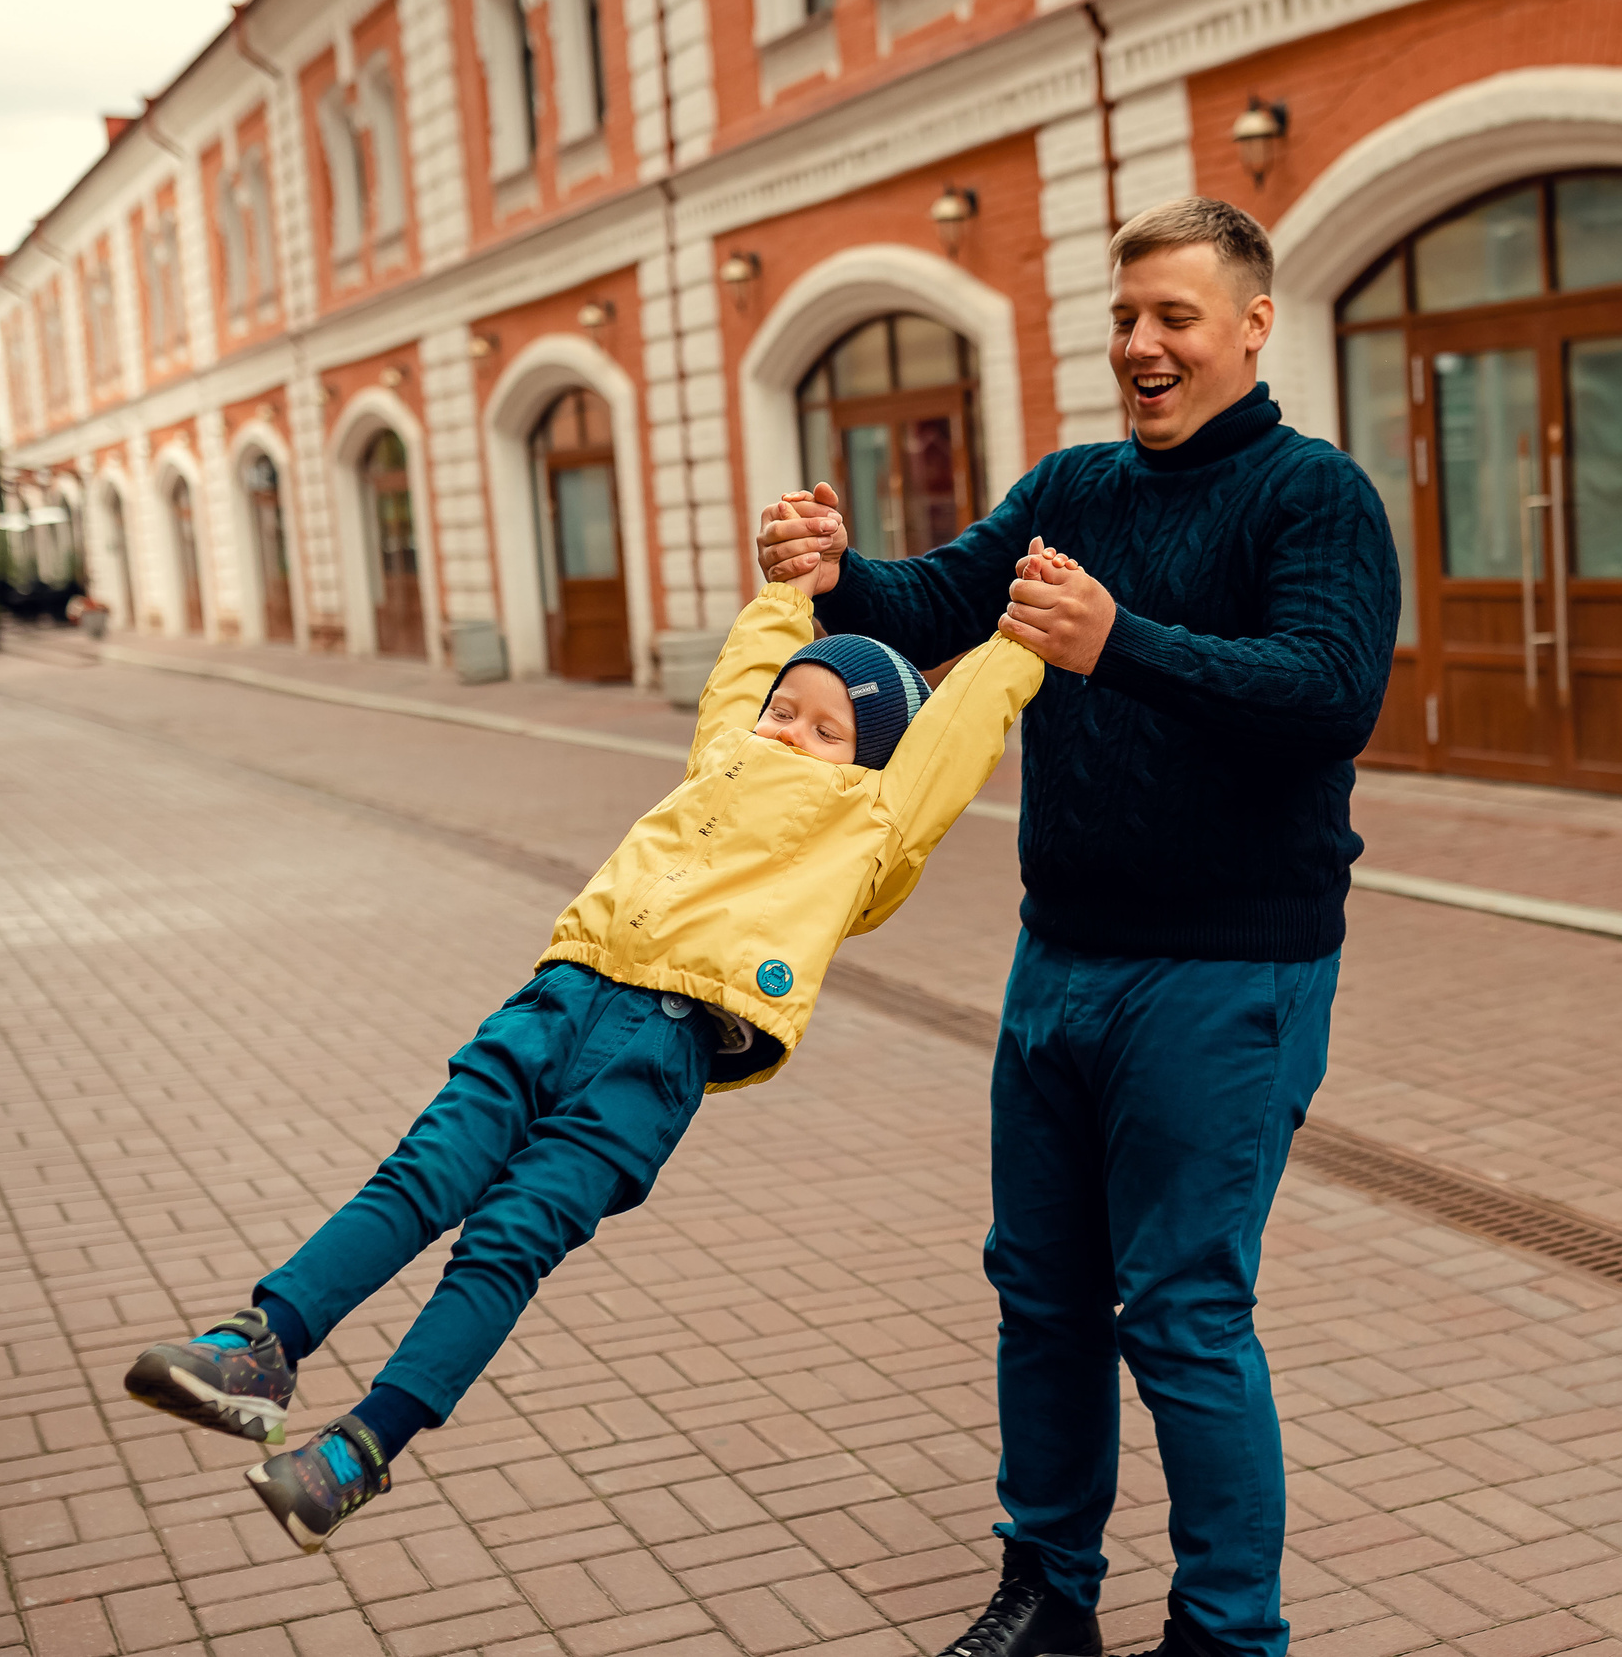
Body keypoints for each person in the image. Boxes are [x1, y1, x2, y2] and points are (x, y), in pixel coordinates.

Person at [757, 196, 1401, 1657]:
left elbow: (1326, 692)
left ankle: (1228, 1630)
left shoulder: (1315, 498)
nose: (1141, 346)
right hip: (1063, 958)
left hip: (1233, 968)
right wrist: (831, 570)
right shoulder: (1075, 486)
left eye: (1174, 316)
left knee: (1180, 1312)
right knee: (1041, 1290)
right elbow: (927, 601)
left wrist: (1122, 644)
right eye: (1125, 318)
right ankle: (1048, 1590)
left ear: (1251, 326)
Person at [120, 565, 1046, 1553]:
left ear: (870, 767)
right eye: (787, 708)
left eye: (828, 730)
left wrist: (1019, 639)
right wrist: (785, 598)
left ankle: (360, 1451)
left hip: (656, 1058)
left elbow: (950, 742)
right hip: (555, 1000)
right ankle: (261, 1349)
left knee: (505, 1245)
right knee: (417, 1178)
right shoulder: (722, 760)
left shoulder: (869, 828)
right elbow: (742, 676)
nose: (788, 731)